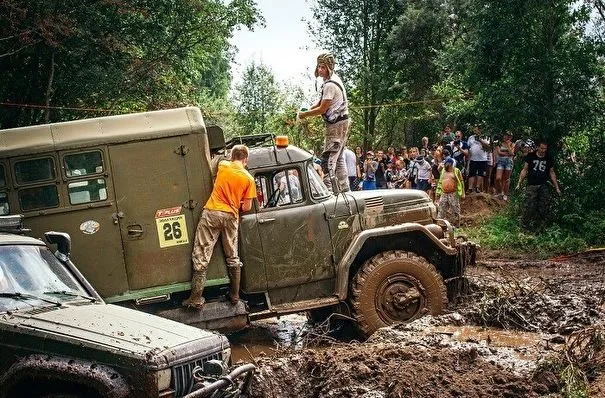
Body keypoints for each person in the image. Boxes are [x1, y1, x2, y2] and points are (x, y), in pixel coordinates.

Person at [183, 145, 257, 310]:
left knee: (201, 254)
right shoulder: (248, 179)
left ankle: (195, 298)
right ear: (246, 159)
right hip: (231, 216)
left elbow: (214, 162)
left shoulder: (223, 166)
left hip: (212, 213)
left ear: (232, 156)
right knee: (232, 255)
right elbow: (246, 207)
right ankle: (234, 295)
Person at [298, 53, 350, 193]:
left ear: (329, 68)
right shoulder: (332, 81)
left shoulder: (330, 85)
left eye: (323, 67)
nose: (320, 70)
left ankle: (329, 190)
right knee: (339, 158)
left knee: (328, 159)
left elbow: (323, 108)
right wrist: (308, 110)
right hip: (341, 122)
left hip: (336, 124)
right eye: (319, 67)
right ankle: (345, 189)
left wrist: (305, 114)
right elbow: (321, 103)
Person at [515, 141, 561, 230]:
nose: (543, 150)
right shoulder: (530, 156)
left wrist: (557, 188)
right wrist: (519, 183)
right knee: (529, 206)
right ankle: (524, 227)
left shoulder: (548, 158)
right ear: (537, 147)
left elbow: (552, 172)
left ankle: (540, 228)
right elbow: (525, 170)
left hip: (543, 185)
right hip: (532, 185)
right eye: (542, 148)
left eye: (545, 149)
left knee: (544, 207)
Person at [436, 157, 465, 227]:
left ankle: (456, 224)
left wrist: (463, 193)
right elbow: (440, 180)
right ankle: (440, 224)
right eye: (446, 164)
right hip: (444, 193)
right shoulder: (443, 170)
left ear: (452, 164)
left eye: (449, 164)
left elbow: (461, 181)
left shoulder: (456, 171)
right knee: (442, 208)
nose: (448, 165)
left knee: (455, 208)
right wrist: (438, 193)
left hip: (453, 193)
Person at [467, 124, 490, 194]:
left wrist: (480, 140)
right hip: (473, 159)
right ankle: (470, 188)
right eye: (476, 128)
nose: (477, 130)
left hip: (483, 159)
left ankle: (477, 187)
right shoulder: (471, 137)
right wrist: (468, 159)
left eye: (479, 128)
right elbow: (469, 148)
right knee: (471, 173)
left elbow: (488, 147)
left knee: (481, 173)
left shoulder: (486, 137)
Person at [494, 131, 515, 200]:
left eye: (509, 136)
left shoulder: (512, 144)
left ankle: (505, 194)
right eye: (506, 135)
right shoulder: (499, 143)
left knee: (506, 179)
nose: (507, 137)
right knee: (498, 178)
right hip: (500, 162)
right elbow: (499, 153)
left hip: (509, 162)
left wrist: (508, 145)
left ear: (511, 137)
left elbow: (512, 153)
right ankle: (499, 192)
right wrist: (508, 154)